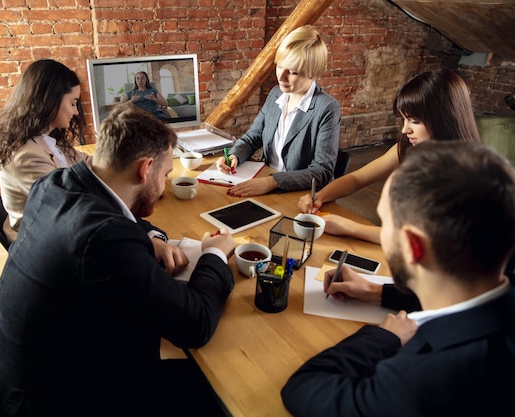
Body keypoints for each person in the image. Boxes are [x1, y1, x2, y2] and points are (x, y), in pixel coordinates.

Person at [0, 103, 235, 417]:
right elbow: (195, 325)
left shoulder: (56, 184)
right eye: (166, 174)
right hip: (56, 400)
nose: (162, 188)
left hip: (26, 370)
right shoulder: (104, 239)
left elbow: (112, 220)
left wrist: (152, 239)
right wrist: (215, 254)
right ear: (144, 169)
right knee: (224, 395)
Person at [282, 141, 515, 417]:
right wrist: (375, 291)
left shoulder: (421, 378)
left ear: (411, 247)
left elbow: (304, 389)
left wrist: (383, 337)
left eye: (385, 224)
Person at [298, 67, 481, 244]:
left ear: (444, 119)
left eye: (414, 121)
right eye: (404, 119)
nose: (405, 129)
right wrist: (319, 197)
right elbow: (357, 178)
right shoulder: (406, 149)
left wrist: (350, 227)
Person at [216, 25, 341, 196]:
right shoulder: (276, 94)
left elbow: (322, 171)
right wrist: (234, 156)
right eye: (280, 66)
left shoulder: (327, 108)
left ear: (313, 73)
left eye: (293, 72)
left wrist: (272, 181)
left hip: (299, 194)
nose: (281, 77)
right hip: (266, 183)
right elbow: (253, 137)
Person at [0, 59, 92, 243]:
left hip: (55, 225)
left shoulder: (45, 138)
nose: (76, 112)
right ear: (51, 101)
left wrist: (119, 164)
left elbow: (84, 162)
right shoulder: (26, 155)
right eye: (73, 103)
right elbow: (67, 206)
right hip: (43, 241)